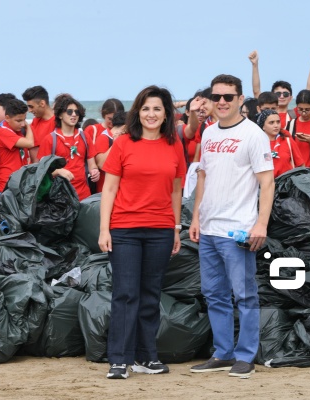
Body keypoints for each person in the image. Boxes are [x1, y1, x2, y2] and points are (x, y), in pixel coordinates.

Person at [189, 74, 274, 378]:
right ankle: (223, 352)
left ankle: (245, 356)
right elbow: (203, 177)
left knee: (245, 294)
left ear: (240, 99)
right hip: (209, 228)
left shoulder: (254, 135)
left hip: (238, 228)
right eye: (216, 97)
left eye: (228, 97)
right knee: (214, 294)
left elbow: (267, 183)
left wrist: (260, 224)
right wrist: (197, 217)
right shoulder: (208, 134)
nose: (221, 102)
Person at [98, 85, 186, 380]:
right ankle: (119, 360)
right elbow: (108, 188)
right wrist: (104, 229)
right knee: (125, 294)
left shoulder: (174, 145)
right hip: (124, 229)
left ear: (166, 114)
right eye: (146, 108)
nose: (151, 114)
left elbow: (176, 190)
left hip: (160, 229)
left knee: (150, 295)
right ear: (138, 112)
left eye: (157, 109)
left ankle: (146, 357)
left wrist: (175, 228)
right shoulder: (123, 143)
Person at [36, 94, 100, 201]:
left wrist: (95, 171)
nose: (74, 115)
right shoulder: (50, 140)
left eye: (77, 112)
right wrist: (58, 171)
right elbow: (42, 172)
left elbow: (92, 165)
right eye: (69, 111)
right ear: (60, 115)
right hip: (60, 197)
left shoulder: (85, 137)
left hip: (84, 195)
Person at [249, 49, 310, 128]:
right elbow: (256, 92)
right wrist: (254, 65)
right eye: (278, 94)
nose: (282, 96)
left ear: (290, 98)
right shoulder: (265, 112)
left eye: (285, 94)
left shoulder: (295, 113)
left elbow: (308, 92)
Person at [0, 99, 34, 199]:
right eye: (19, 121)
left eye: (24, 120)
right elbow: (30, 143)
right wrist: (28, 127)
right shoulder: (3, 132)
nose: (23, 124)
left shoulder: (18, 131)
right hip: (5, 188)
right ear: (7, 118)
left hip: (19, 187)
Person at [257, 109, 304, 177]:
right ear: (263, 126)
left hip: (287, 184)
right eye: (271, 122)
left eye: (278, 122)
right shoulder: (258, 144)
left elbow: (301, 165)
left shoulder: (288, 141)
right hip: (266, 184)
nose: (276, 125)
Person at [95, 110, 126, 193]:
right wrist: (115, 144)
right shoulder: (104, 138)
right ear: (124, 127)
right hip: (104, 190)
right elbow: (101, 164)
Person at [22, 85, 55, 162]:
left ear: (42, 104)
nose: (29, 110)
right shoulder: (35, 122)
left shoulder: (58, 123)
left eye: (31, 107)